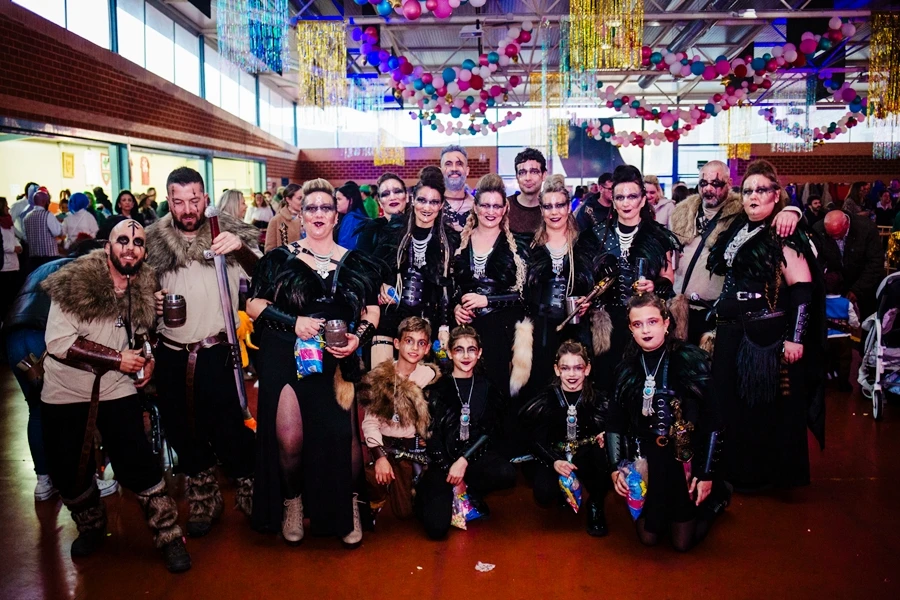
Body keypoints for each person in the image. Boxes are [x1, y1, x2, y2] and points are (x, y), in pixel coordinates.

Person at [40, 219, 191, 572]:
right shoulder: (74, 283)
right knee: (68, 470)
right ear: (107, 245)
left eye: (138, 242)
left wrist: (147, 360)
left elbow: (140, 337)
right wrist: (117, 359)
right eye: (122, 240)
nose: (130, 247)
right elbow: (59, 343)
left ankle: (169, 534)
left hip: (116, 387)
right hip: (65, 390)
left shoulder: (142, 286)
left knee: (138, 462)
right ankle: (91, 525)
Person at [246, 178, 382, 547]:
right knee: (289, 439)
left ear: (336, 214)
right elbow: (254, 305)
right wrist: (295, 322)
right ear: (300, 214)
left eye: (326, 207)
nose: (319, 214)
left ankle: (348, 505)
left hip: (338, 360)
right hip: (287, 356)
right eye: (311, 208)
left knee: (344, 440)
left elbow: (371, 309)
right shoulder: (278, 259)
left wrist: (359, 337)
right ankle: (293, 501)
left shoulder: (357, 262)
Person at [145, 167, 258, 538]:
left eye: (194, 199)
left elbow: (265, 274)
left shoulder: (225, 231)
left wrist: (238, 247)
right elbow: (132, 297)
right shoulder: (153, 241)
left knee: (230, 427)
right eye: (179, 201)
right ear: (169, 201)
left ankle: (252, 494)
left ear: (205, 198)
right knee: (182, 429)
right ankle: (203, 498)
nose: (188, 208)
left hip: (217, 351)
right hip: (173, 353)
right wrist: (151, 302)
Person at [707, 159, 825, 492]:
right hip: (731, 329)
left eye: (761, 190)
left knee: (759, 408)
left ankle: (759, 478)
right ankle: (735, 474)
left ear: (776, 195)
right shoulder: (738, 227)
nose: (753, 197)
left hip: (763, 336)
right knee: (730, 406)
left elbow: (802, 289)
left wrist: (796, 339)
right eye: (747, 191)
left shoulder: (784, 231)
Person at [607, 293, 729, 551]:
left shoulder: (690, 359)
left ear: (666, 323)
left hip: (684, 459)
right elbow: (614, 422)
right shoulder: (626, 368)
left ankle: (716, 500)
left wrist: (706, 474)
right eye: (638, 324)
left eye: (652, 322)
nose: (646, 330)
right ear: (630, 328)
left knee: (682, 544)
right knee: (649, 539)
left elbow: (714, 419)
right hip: (649, 461)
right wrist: (616, 467)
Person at [668, 161, 800, 344]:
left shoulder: (741, 211)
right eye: (703, 183)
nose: (708, 189)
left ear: (729, 183)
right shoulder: (681, 213)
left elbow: (770, 208)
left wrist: (792, 211)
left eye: (716, 183)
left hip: (718, 310)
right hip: (681, 308)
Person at [418, 325, 516, 539]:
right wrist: (450, 471)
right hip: (442, 462)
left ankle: (471, 493)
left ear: (479, 353)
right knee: (436, 530)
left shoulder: (488, 388)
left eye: (471, 349)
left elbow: (489, 432)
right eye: (459, 349)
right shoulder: (437, 388)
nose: (465, 355)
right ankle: (433, 496)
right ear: (451, 353)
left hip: (472, 458)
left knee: (506, 473)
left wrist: (463, 461)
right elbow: (430, 437)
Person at [588, 165, 679, 394]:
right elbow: (585, 279)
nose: (626, 203)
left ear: (642, 200)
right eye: (620, 197)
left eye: (632, 196)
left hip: (645, 323)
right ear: (613, 200)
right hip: (608, 325)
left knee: (643, 387)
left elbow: (668, 277)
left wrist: (654, 286)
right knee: (608, 387)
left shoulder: (657, 235)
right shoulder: (597, 235)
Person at [452, 173, 531, 400]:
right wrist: (457, 307)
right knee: (465, 396)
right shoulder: (459, 242)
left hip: (501, 332)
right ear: (475, 207)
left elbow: (525, 295)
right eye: (485, 205)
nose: (491, 211)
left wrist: (488, 300)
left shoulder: (518, 246)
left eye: (497, 206)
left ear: (505, 208)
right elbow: (452, 287)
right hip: (465, 331)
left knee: (497, 397)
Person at [519, 341, 610, 537]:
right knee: (543, 494)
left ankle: (596, 503)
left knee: (607, 453)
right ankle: (561, 493)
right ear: (557, 370)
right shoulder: (546, 399)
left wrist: (607, 435)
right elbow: (533, 439)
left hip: (587, 455)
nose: (571, 374)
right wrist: (554, 461)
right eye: (565, 368)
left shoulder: (599, 399)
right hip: (556, 454)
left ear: (587, 370)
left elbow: (616, 424)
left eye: (578, 368)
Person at [356, 316, 439, 520]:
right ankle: (374, 495)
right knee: (361, 482)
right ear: (397, 343)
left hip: (415, 452)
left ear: (427, 348)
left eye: (421, 343)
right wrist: (380, 457)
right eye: (409, 341)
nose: (414, 348)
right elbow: (370, 423)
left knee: (405, 512)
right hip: (387, 448)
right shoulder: (381, 378)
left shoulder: (430, 377)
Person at [524, 174, 595, 392]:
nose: (554, 212)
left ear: (568, 207)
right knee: (541, 386)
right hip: (540, 330)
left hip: (577, 329)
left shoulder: (585, 243)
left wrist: (589, 301)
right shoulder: (529, 246)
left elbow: (597, 286)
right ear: (541, 209)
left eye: (560, 205)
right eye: (548, 206)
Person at [814, 209, 883, 320]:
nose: (835, 238)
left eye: (838, 235)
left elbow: (875, 262)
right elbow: (818, 262)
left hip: (866, 287)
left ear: (847, 224)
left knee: (865, 324)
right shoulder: (818, 230)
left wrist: (857, 290)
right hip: (835, 291)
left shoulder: (866, 228)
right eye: (831, 235)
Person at [355, 173, 408, 255]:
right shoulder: (369, 231)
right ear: (379, 202)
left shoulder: (417, 227)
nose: (392, 197)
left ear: (407, 197)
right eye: (385, 194)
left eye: (397, 191)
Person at [824, 271, 859, 393]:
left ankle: (826, 379)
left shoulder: (822, 302)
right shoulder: (846, 303)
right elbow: (854, 321)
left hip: (826, 336)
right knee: (845, 360)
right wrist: (856, 326)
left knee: (826, 358)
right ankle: (843, 383)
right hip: (843, 337)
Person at [507, 148, 548, 240]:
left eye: (534, 172)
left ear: (544, 175)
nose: (528, 178)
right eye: (522, 173)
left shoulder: (552, 209)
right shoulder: (505, 207)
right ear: (517, 177)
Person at [23, 188, 61, 273]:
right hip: (49, 257)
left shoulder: (27, 217)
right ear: (44, 201)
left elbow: (25, 237)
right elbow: (56, 232)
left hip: (33, 257)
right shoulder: (48, 215)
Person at [441, 145, 475, 233]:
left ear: (467, 171)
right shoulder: (432, 206)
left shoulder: (477, 207)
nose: (454, 168)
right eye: (448, 164)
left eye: (459, 164)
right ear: (441, 171)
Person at [1, 197, 23, 318]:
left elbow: (13, 237)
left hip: (14, 263)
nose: (8, 209)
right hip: (4, 265)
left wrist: (18, 246)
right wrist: (12, 248)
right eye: (5, 206)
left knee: (13, 294)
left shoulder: (8, 222)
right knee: (5, 295)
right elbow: (2, 244)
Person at [265, 183, 302, 253]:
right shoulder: (276, 220)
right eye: (299, 198)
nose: (303, 201)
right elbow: (269, 251)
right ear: (288, 200)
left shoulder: (309, 218)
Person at [335, 181, 369, 250]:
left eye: (339, 199)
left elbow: (345, 247)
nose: (336, 202)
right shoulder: (356, 215)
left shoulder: (352, 218)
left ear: (351, 200)